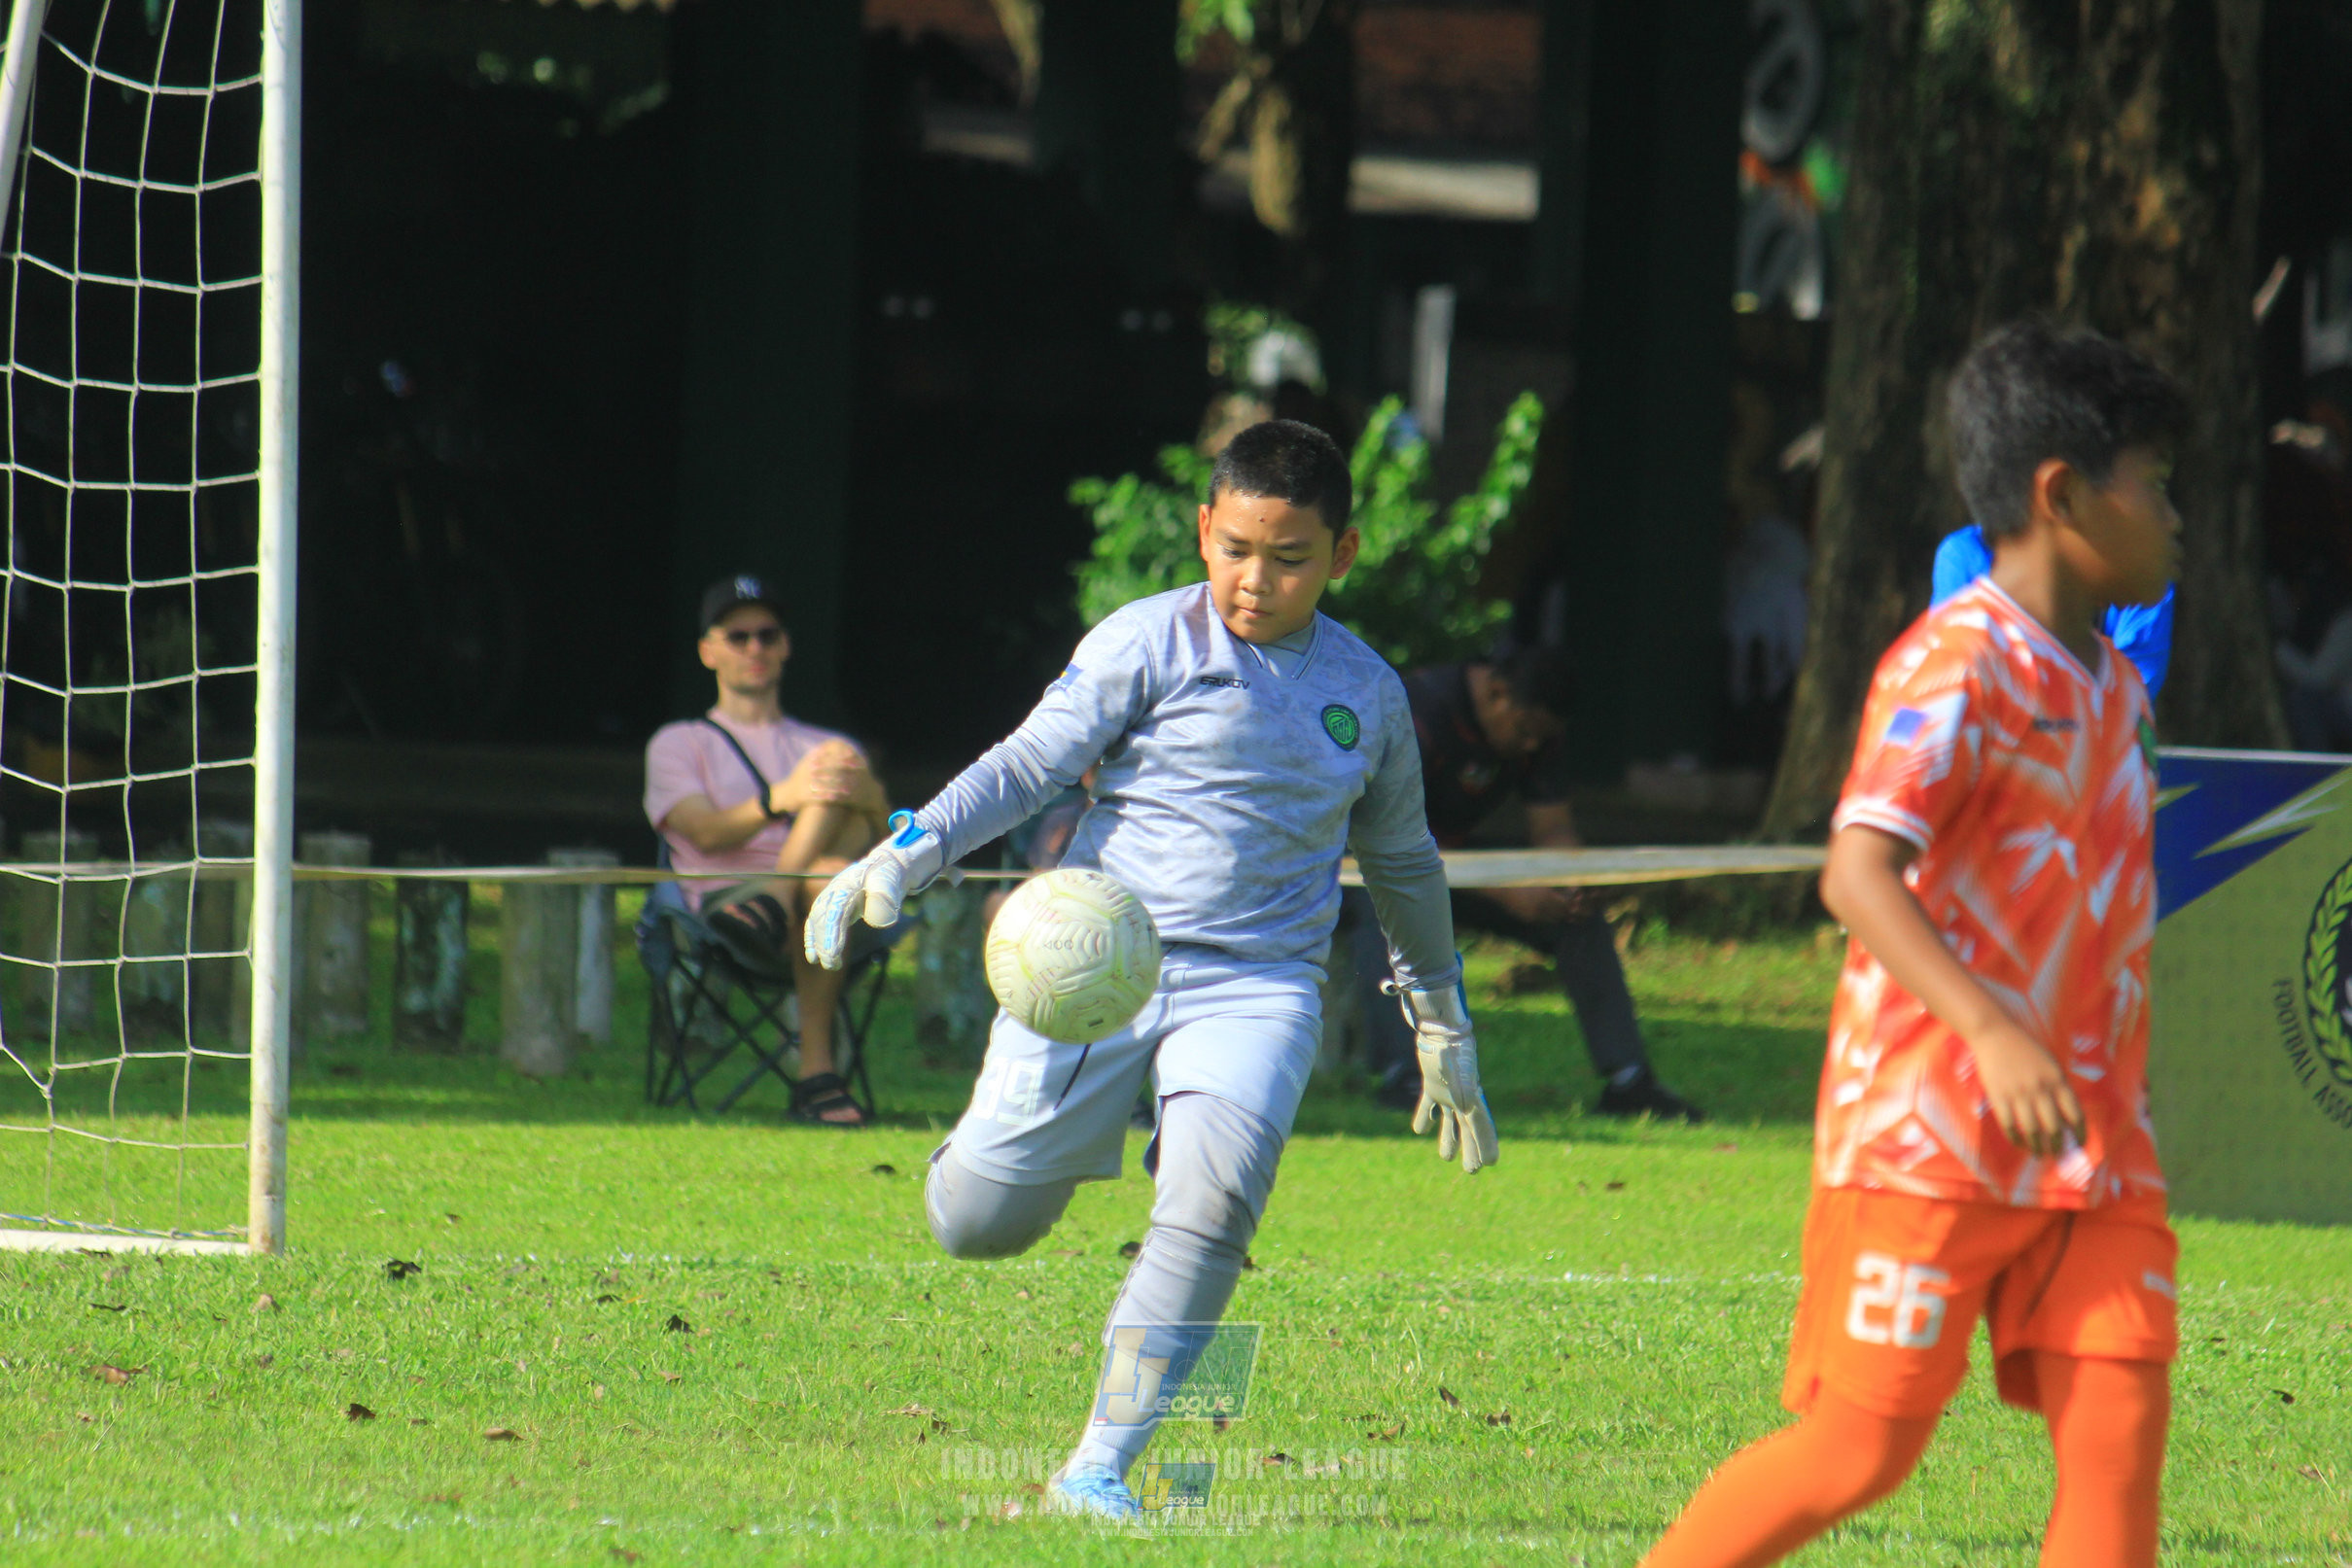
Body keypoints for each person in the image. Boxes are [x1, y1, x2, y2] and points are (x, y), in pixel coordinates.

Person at [804, 420, 1490, 1518]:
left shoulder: (1368, 692)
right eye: (1235, 549)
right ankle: (987, 1157)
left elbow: (1402, 859)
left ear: (1344, 552)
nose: (1254, 580)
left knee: (1212, 1203)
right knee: (978, 1223)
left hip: (1258, 982)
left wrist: (1441, 1020)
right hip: (1096, 956)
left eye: (1290, 557)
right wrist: (907, 850)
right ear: (1203, 528)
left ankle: (1099, 1464)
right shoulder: (1144, 640)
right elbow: (1031, 764)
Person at [1640, 320, 2185, 1568]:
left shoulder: (2119, 686)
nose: (2173, 513)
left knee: (2117, 1435)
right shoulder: (1953, 664)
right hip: (1927, 1138)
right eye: (2151, 481)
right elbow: (1856, 870)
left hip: (2094, 1141)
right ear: (2059, 495)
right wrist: (1991, 1029)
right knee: (1860, 1451)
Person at [1347, 644, 1702, 1122]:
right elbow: (1386, 839)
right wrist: (1508, 892)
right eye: (1525, 732)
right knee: (1388, 904)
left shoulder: (1538, 731)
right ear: (1497, 694)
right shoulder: (1416, 711)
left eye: (1542, 737)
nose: (1532, 747)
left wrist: (1570, 883)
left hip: (1450, 865)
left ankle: (1629, 1082)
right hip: (1359, 866)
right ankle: (1406, 1079)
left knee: (1577, 920)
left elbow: (1552, 828)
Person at [644, 575, 890, 1126]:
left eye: (768, 635)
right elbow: (702, 832)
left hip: (795, 911)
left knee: (829, 865)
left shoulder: (827, 745)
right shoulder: (680, 741)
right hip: (723, 910)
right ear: (708, 651)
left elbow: (885, 850)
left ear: (786, 646)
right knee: (828, 859)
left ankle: (778, 895)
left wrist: (869, 798)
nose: (756, 648)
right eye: (738, 637)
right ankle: (819, 1077)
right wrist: (783, 797)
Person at [1932, 517, 2174, 695]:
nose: (2171, 517)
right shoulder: (1965, 554)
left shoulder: (2141, 564)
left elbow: (2134, 692)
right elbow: (1953, 680)